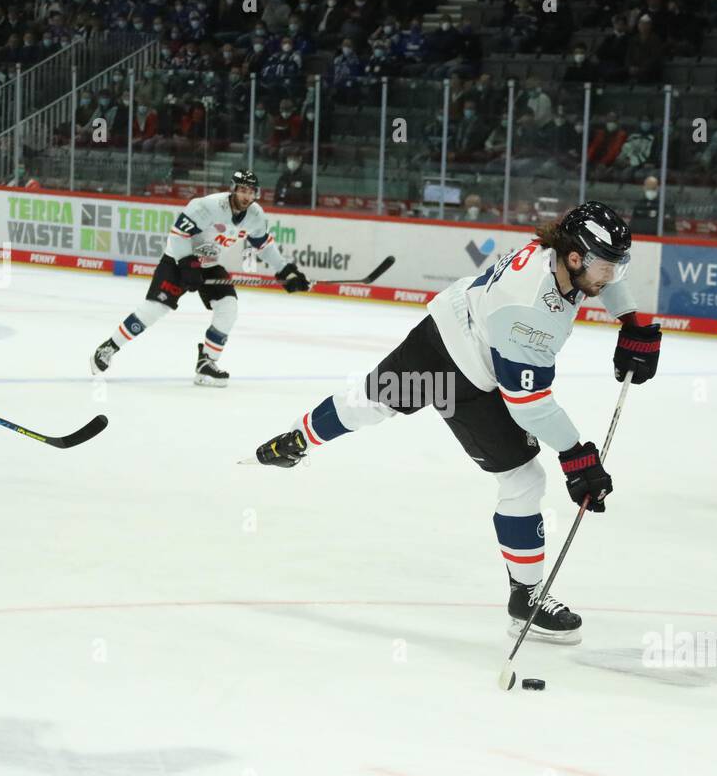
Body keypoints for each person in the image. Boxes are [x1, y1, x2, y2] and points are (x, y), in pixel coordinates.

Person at [250, 202, 663, 644]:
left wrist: (632, 323)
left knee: (381, 405)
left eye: (618, 265)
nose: (612, 277)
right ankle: (300, 438)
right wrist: (577, 456)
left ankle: (525, 598)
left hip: (462, 335)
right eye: (606, 266)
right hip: (453, 365)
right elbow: (528, 404)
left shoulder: (563, 256)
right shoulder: (529, 312)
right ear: (576, 257)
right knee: (382, 408)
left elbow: (606, 280)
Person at [89, 170, 310, 387]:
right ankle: (109, 347)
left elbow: (264, 246)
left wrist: (286, 270)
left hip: (210, 264)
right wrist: (187, 264)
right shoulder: (207, 206)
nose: (246, 196)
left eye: (251, 192)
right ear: (233, 189)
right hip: (178, 260)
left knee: (228, 306)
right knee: (155, 309)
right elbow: (179, 235)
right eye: (242, 190)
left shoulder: (255, 216)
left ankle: (207, 362)